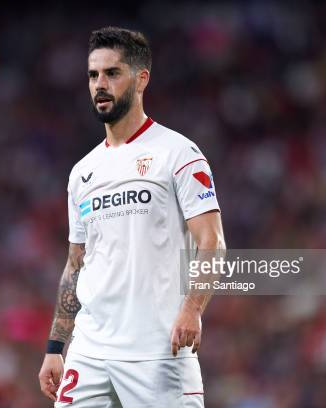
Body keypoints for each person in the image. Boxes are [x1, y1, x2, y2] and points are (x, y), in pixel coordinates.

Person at [38, 26, 225, 407]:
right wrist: (56, 347)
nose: (100, 84)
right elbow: (76, 263)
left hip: (156, 348)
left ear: (141, 79)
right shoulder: (82, 172)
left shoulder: (178, 153)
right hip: (90, 349)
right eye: (93, 75)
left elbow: (212, 242)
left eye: (112, 73)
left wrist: (192, 309)